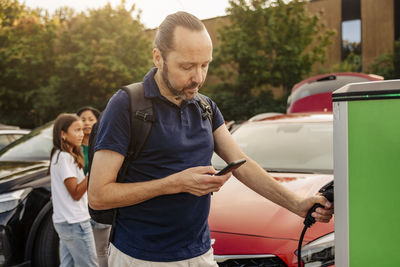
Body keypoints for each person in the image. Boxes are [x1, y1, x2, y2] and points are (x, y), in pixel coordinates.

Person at [88, 11, 333, 266]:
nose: (198, 78)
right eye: (187, 66)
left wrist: (297, 204)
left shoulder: (205, 107)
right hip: (140, 258)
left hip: (201, 253)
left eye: (205, 65)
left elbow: (242, 164)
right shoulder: (126, 105)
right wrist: (174, 184)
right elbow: (99, 195)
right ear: (158, 57)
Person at [49, 113, 98, 267]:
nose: (81, 134)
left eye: (81, 130)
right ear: (63, 134)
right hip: (75, 222)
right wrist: (93, 173)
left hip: (66, 221)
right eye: (76, 130)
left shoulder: (61, 155)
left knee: (67, 265)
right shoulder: (64, 158)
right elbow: (76, 193)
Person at [77, 106, 111, 267]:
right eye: (83, 119)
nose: (87, 123)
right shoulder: (73, 149)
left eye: (91, 119)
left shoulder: (103, 144)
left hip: (97, 201)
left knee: (101, 248)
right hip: (78, 204)